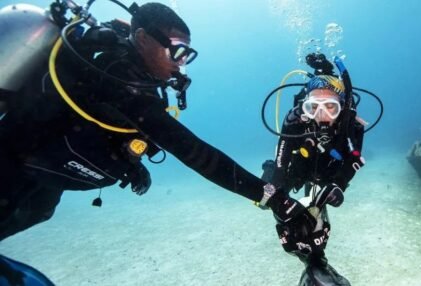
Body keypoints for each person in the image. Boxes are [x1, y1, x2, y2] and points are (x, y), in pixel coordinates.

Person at [0, 2, 314, 283]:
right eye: (177, 51)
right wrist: (272, 197)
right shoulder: (116, 74)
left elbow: (111, 127)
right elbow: (194, 152)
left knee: (39, 210)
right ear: (142, 39)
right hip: (10, 163)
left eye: (186, 55)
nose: (181, 64)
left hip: (43, 168)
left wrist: (130, 165)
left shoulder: (134, 79)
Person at [261, 54, 366, 286]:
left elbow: (354, 160)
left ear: (342, 105)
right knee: (271, 195)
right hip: (301, 164)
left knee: (319, 209)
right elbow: (281, 162)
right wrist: (275, 191)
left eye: (331, 107)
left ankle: (317, 261)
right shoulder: (295, 120)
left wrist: (340, 184)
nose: (321, 115)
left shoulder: (351, 125)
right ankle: (306, 255)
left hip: (329, 170)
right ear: (303, 106)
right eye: (313, 107)